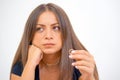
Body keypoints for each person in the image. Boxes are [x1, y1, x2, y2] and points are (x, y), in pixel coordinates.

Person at [10, 3, 99, 80]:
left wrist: (89, 77)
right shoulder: (22, 66)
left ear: (65, 32)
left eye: (56, 28)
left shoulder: (81, 64)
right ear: (30, 35)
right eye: (39, 29)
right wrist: (31, 63)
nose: (48, 36)